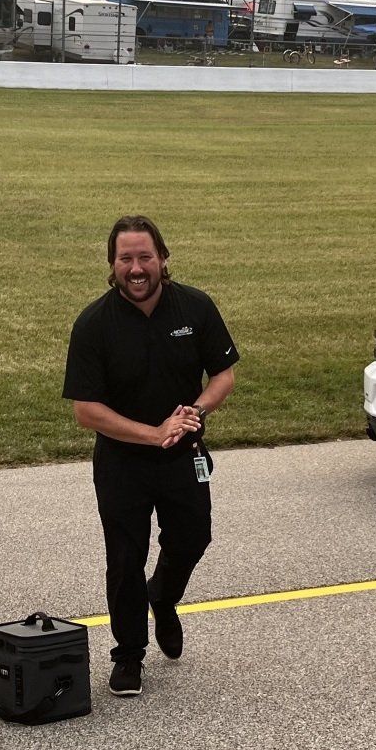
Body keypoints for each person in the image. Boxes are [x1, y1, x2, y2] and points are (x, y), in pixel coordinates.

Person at [62, 215, 238, 698]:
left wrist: (195, 413)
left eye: (145, 257)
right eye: (126, 259)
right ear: (112, 265)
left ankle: (163, 596)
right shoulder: (94, 324)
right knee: (125, 558)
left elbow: (223, 375)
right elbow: (86, 411)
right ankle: (128, 655)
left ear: (163, 259)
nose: (136, 269)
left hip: (184, 454)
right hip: (122, 464)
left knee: (194, 537)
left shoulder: (195, 307)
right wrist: (152, 432)